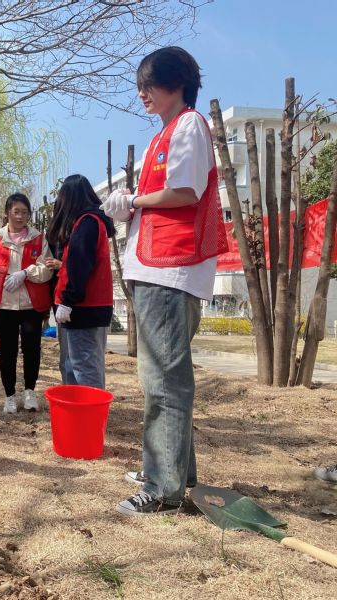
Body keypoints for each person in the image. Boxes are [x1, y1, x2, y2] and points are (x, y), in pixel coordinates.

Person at [101, 47, 227, 516]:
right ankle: (174, 473)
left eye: (147, 85)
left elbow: (186, 190)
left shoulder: (190, 124)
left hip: (172, 269)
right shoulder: (165, 133)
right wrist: (131, 205)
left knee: (165, 380)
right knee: (161, 376)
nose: (142, 95)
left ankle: (164, 489)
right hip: (154, 267)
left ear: (175, 82)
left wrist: (134, 201)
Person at [0, 193, 53, 413]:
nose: (20, 216)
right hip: (4, 305)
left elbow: (47, 269)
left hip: (31, 305)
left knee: (31, 349)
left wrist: (25, 273)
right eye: (16, 211)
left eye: (25, 212)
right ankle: (9, 395)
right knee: (7, 350)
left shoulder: (39, 238)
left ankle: (30, 391)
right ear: (7, 213)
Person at [47, 175, 115, 389]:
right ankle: (80, 414)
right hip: (92, 306)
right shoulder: (93, 222)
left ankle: (90, 418)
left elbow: (79, 264)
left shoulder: (86, 223)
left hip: (83, 307)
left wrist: (68, 300)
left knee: (83, 366)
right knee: (80, 363)